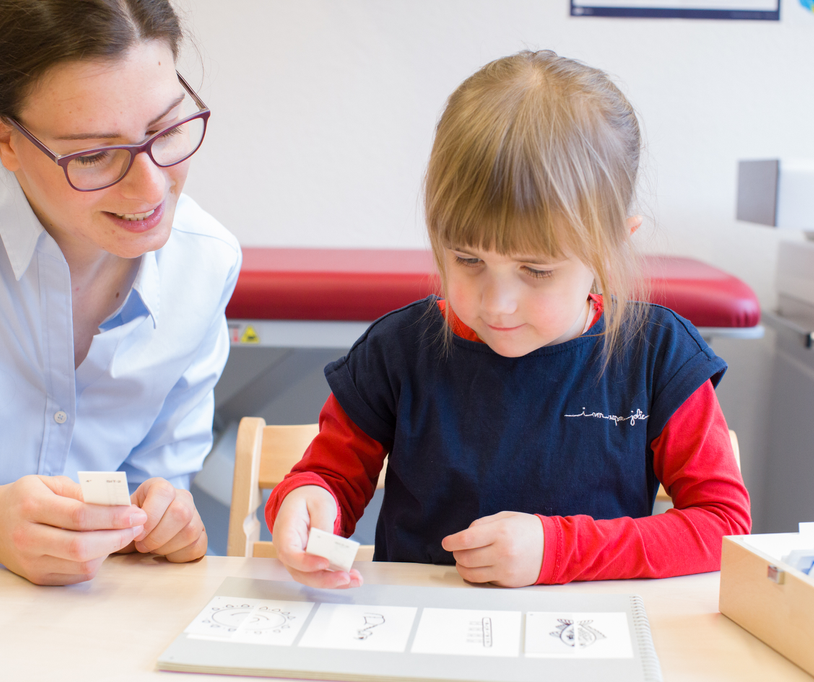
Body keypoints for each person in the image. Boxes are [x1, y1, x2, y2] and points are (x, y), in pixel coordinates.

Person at [266, 50, 751, 589]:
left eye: (536, 270)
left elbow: (723, 527)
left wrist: (560, 549)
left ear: (610, 249)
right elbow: (327, 477)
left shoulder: (659, 357)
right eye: (468, 260)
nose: (496, 304)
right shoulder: (397, 351)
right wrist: (307, 502)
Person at [0, 0, 241, 585]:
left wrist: (165, 523)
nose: (150, 189)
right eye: (94, 154)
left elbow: (158, 487)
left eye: (166, 129)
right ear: (4, 136)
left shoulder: (203, 263)